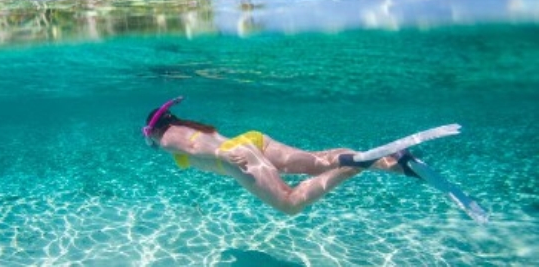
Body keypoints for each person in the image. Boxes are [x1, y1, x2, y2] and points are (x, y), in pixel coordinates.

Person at [142, 97, 412, 216]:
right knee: (317, 161)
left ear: (153, 130)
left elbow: (192, 149)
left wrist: (222, 155)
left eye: (151, 135)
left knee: (290, 204)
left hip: (236, 158)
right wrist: (223, 150)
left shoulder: (165, 137)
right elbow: (197, 141)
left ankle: (356, 166)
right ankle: (394, 162)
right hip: (251, 140)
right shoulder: (186, 125)